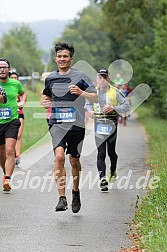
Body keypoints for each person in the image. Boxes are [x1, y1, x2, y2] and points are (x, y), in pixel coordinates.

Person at [41, 42, 98, 213]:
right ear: (55, 58)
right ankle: (61, 198)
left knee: (74, 160)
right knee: (59, 157)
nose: (62, 59)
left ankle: (75, 192)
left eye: (65, 56)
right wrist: (45, 102)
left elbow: (95, 97)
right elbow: (46, 96)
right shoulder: (50, 78)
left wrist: (81, 93)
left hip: (76, 125)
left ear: (71, 59)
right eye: (59, 56)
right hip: (57, 123)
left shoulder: (81, 76)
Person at [86, 68, 130, 192]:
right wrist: (90, 111)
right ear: (97, 80)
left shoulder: (115, 92)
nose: (102, 80)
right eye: (100, 77)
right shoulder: (93, 92)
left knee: (111, 153)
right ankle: (102, 179)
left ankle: (113, 170)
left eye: (105, 77)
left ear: (108, 79)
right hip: (98, 125)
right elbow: (88, 104)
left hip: (112, 125)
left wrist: (113, 108)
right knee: (101, 153)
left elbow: (126, 106)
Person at [0, 59, 26, 192]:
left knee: (10, 150)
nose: (2, 70)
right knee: (1, 153)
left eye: (4, 67)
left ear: (9, 70)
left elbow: (22, 93)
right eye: (0, 67)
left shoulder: (15, 83)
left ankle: (7, 178)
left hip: (12, 120)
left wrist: (22, 102)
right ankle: (6, 172)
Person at [10, 72, 27, 165]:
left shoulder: (19, 89)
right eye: (11, 77)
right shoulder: (5, 88)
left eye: (15, 77)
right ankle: (10, 153)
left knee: (19, 135)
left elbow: (24, 100)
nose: (13, 79)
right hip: (8, 115)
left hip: (19, 113)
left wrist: (21, 103)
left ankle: (17, 155)